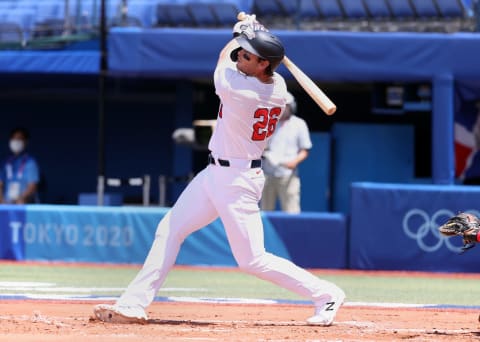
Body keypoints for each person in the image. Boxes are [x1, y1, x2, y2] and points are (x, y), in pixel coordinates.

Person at [93, 17, 345, 326]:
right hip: (215, 174)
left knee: (252, 260)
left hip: (238, 181)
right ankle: (133, 303)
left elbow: (222, 58)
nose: (240, 54)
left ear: (264, 64)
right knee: (169, 230)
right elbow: (247, 59)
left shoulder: (239, 88)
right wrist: (254, 36)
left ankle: (325, 293)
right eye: (242, 51)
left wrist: (241, 32)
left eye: (247, 54)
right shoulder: (277, 85)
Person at [261, 92, 312, 213]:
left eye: (285, 106)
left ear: (291, 106)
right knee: (264, 214)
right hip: (267, 175)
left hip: (288, 175)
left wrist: (294, 162)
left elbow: (305, 150)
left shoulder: (299, 124)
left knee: (292, 212)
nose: (282, 109)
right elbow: (260, 146)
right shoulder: (267, 122)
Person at [0, 127, 40, 204]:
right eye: (14, 139)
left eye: (19, 139)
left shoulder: (30, 162)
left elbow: (32, 186)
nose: (16, 141)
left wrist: (22, 197)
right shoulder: (5, 162)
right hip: (6, 204)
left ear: (26, 142)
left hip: (23, 204)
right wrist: (1, 200)